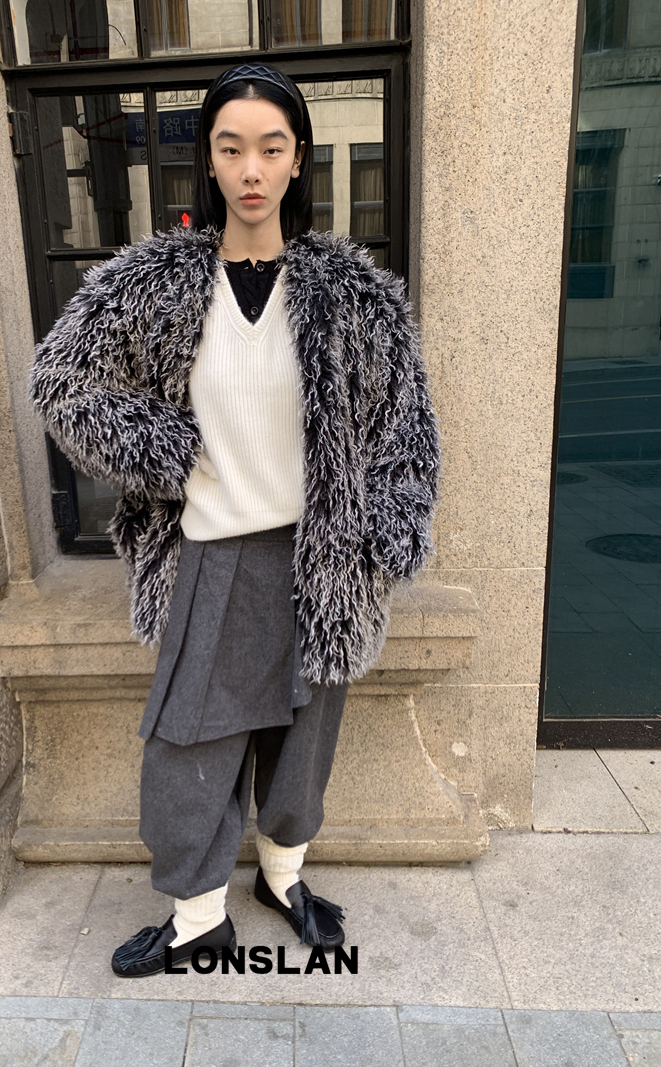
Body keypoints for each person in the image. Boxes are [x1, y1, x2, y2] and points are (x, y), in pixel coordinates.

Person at [28, 61, 442, 978]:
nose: (251, 169)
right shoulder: (159, 284)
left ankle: (284, 878)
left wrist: (385, 537)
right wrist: (165, 450)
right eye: (230, 148)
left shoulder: (352, 294)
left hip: (321, 558)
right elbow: (61, 381)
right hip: (210, 553)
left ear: (297, 160)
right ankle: (196, 915)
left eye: (271, 147)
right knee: (190, 740)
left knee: (304, 737)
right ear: (209, 162)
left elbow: (406, 428)